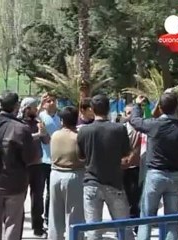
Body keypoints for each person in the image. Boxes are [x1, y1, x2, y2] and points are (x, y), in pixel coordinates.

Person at [130, 93, 178, 240]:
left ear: (160, 107)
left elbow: (134, 121)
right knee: (172, 218)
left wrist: (137, 105)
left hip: (155, 174)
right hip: (175, 176)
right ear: (176, 107)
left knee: (146, 217)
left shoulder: (154, 125)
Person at [77, 94, 134, 240]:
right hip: (114, 182)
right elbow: (126, 154)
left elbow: (81, 157)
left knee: (93, 231)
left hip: (91, 183)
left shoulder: (84, 131)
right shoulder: (119, 129)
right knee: (124, 228)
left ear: (92, 109)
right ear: (109, 108)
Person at [0, 91, 34, 240]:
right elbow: (30, 157)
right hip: (15, 183)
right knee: (13, 224)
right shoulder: (21, 128)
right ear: (16, 106)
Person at [49, 106, 85, 240]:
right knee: (74, 215)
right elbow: (82, 157)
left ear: (62, 121)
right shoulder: (78, 137)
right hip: (74, 175)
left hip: (55, 175)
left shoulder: (55, 135)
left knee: (55, 215)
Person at [17, 97, 49, 237]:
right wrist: (37, 134)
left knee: (38, 198)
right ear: (27, 109)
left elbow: (46, 141)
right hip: (23, 166)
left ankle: (38, 227)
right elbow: (22, 140)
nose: (37, 110)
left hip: (37, 165)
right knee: (19, 198)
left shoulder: (37, 122)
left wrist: (44, 131)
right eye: (35, 108)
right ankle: (16, 227)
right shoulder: (18, 123)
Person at [38, 92, 61, 226]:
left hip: (56, 160)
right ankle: (43, 219)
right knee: (41, 192)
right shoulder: (41, 116)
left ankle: (51, 218)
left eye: (53, 100)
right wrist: (41, 103)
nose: (51, 103)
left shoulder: (60, 118)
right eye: (48, 101)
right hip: (43, 160)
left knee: (52, 192)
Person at [121, 104, 142, 234]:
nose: (129, 115)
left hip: (136, 167)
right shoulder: (121, 128)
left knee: (136, 198)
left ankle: (136, 224)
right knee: (125, 198)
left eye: (131, 113)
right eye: (127, 113)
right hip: (123, 168)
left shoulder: (140, 129)